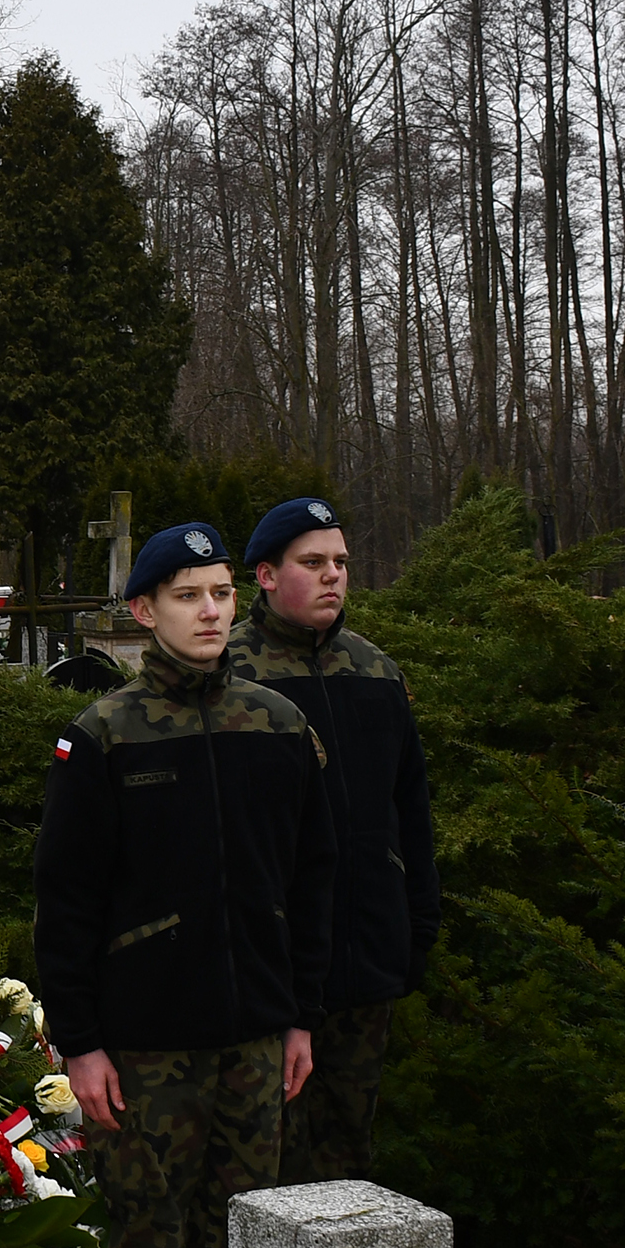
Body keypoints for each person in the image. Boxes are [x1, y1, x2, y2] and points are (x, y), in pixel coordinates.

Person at [32, 521, 335, 1248]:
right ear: (143, 612)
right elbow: (65, 902)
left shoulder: (275, 724)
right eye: (186, 595)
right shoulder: (105, 734)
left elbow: (304, 882)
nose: (209, 610)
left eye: (217, 592)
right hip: (145, 1047)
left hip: (253, 1037)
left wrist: (297, 1014)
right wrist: (78, 1041)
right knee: (150, 1242)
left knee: (234, 1235)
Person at [228, 495, 439, 1181]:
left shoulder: (377, 673)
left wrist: (417, 925)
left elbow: (410, 807)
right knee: (268, 1167)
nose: (333, 576)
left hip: (366, 960)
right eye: (312, 562)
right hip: (269, 971)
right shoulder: (228, 677)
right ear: (265, 574)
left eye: (341, 562)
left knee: (349, 1158)